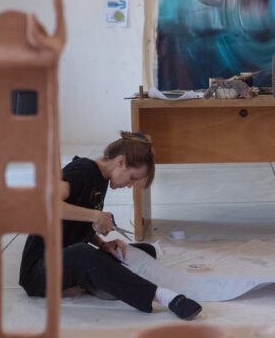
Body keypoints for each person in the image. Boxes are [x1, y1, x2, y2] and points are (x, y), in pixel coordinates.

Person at [18, 130, 202, 320]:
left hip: (69, 255)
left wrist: (102, 244)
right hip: (40, 272)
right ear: (120, 162)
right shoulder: (82, 171)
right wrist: (95, 215)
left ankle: (104, 279)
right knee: (83, 253)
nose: (130, 185)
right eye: (132, 178)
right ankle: (164, 296)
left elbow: (74, 226)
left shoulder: (101, 180)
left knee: (145, 251)